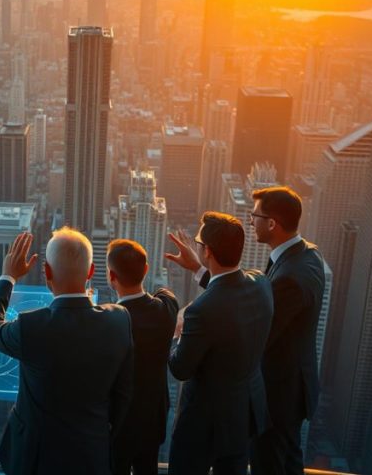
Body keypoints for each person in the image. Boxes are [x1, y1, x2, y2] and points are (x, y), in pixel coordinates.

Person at [0, 229, 134, 474]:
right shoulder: (119, 320)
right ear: (91, 271)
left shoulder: (31, 327)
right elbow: (123, 394)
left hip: (36, 460)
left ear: (47, 272)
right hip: (92, 454)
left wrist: (8, 276)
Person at [165, 213, 274, 475]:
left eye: (199, 243)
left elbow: (180, 368)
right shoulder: (261, 283)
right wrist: (197, 269)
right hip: (243, 412)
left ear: (208, 252)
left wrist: (177, 331)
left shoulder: (200, 311)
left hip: (203, 423)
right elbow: (229, 295)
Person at [247, 187, 326, 475]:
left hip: (278, 393)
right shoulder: (306, 255)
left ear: (271, 223)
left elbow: (261, 332)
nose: (250, 221)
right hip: (292, 387)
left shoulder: (290, 277)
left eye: (254, 215)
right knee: (287, 460)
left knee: (269, 463)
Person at [106, 239, 179, 475]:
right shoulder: (166, 309)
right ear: (146, 270)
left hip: (118, 423)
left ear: (111, 276)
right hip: (153, 418)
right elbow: (166, 294)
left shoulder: (110, 322)